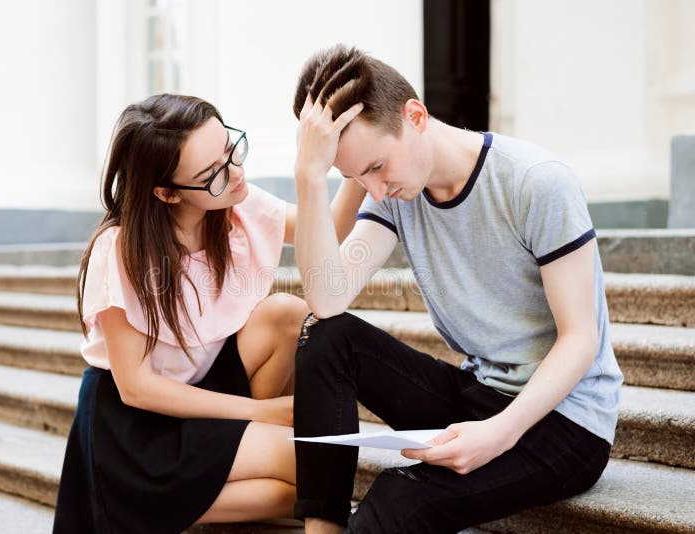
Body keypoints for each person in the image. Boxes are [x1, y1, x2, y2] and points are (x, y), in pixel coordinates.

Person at [290, 44, 624, 533]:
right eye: (356, 177)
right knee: (326, 338)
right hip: (481, 391)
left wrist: (497, 435)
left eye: (377, 167)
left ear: (416, 115)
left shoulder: (535, 182)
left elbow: (581, 339)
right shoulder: (395, 194)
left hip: (566, 422)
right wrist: (309, 176)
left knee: (401, 496)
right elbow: (327, 298)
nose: (374, 190)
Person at [52, 93, 365, 533]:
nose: (235, 172)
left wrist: (360, 161)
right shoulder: (122, 249)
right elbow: (138, 389)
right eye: (213, 173)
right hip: (140, 432)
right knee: (314, 472)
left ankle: (210, 480)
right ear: (166, 192)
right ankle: (150, 503)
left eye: (229, 149)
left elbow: (327, 225)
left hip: (205, 389)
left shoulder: (234, 199)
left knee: (287, 315)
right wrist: (262, 413)